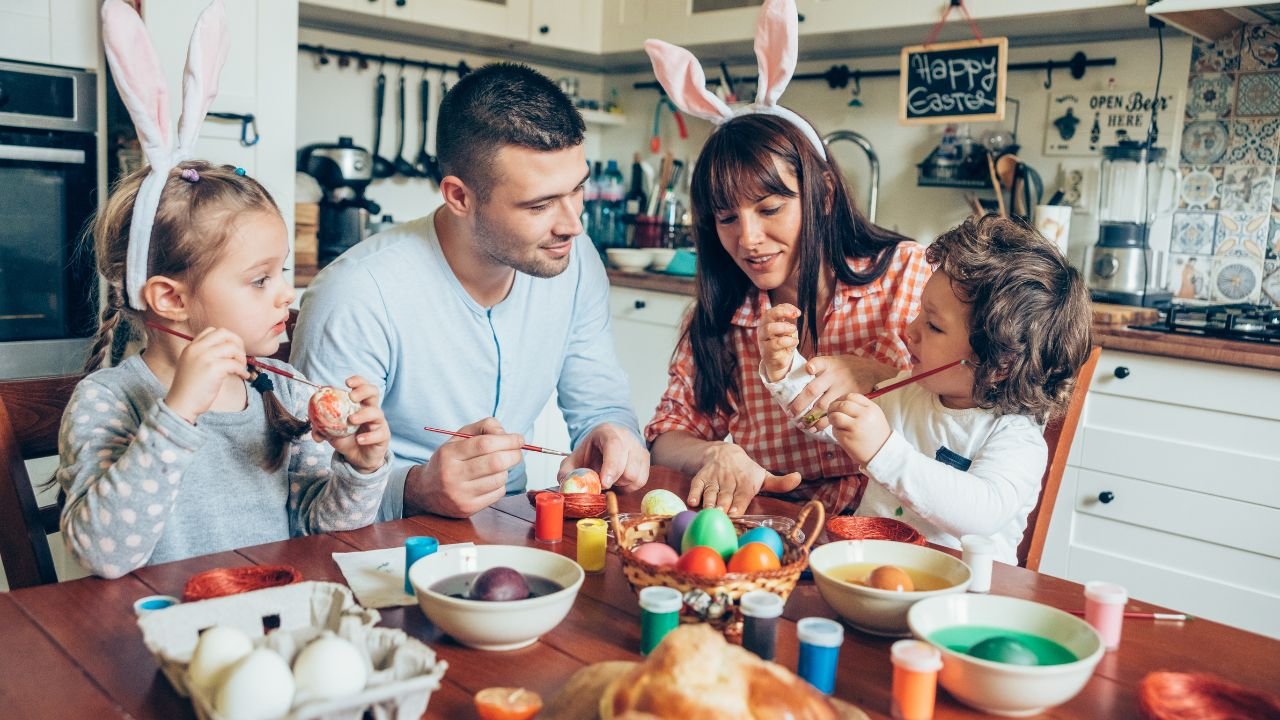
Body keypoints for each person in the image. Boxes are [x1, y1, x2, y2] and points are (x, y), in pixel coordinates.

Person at [292, 63, 648, 521]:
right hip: (383, 543)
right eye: (539, 205)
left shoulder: (575, 260)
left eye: (577, 190)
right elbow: (302, 498)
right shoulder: (358, 294)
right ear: (459, 197)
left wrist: (612, 432)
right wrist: (415, 488)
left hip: (514, 528)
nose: (573, 224)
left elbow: (600, 401)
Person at [641, 0, 931, 517]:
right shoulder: (724, 312)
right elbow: (667, 434)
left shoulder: (906, 274)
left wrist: (875, 376)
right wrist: (718, 452)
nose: (748, 239)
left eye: (770, 208)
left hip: (892, 523)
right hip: (771, 524)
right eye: (726, 218)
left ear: (821, 194)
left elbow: (970, 398)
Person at [57, 159, 393, 579]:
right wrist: (176, 416)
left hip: (268, 622)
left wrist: (360, 469)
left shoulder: (286, 392)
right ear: (171, 299)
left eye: (282, 271)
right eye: (259, 280)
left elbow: (318, 534)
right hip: (159, 634)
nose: (286, 294)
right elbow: (102, 556)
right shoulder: (108, 401)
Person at [759, 214, 1093, 563]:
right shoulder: (907, 392)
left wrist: (884, 453)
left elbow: (981, 514)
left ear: (1000, 363)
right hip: (874, 576)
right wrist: (784, 370)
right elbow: (821, 416)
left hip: (963, 597)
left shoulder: (1014, 435)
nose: (910, 329)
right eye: (920, 313)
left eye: (933, 325)